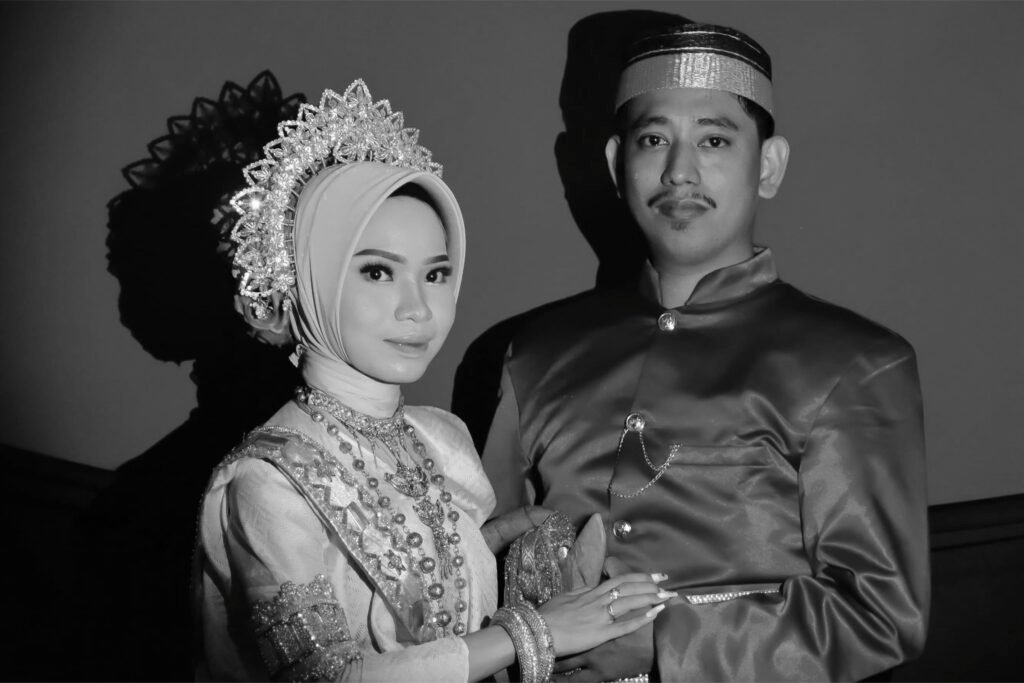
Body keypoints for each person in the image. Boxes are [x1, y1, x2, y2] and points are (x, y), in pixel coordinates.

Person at [481, 21, 929, 682]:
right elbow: (480, 567)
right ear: (616, 163)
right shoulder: (537, 354)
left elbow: (881, 613)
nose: (679, 172)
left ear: (768, 166)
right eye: (654, 139)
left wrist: (664, 644)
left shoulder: (853, 362)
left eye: (714, 139)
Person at [192, 80, 674, 682]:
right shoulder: (269, 479)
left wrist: (499, 552)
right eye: (377, 272)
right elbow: (326, 677)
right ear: (308, 280)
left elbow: (424, 605)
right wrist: (534, 632)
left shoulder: (438, 438)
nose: (417, 308)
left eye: (437, 274)